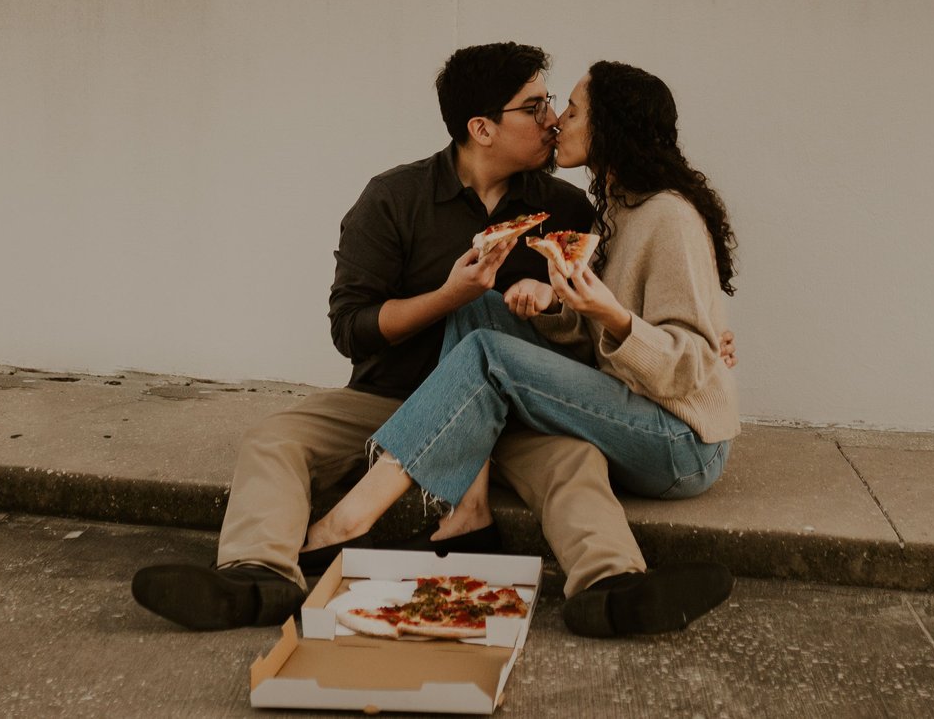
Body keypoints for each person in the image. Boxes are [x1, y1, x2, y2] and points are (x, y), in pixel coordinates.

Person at [133, 43, 718, 637]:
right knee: (274, 438)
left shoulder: (569, 209)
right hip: (398, 399)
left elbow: (614, 311)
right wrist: (447, 296)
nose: (551, 120)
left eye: (556, 105)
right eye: (535, 107)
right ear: (482, 128)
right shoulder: (394, 199)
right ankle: (256, 577)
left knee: (575, 459)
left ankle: (610, 587)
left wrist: (695, 335)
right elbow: (350, 329)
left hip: (517, 410)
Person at [298, 60, 739, 638]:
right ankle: (470, 513)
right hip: (633, 411)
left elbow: (693, 365)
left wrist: (611, 314)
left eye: (572, 110)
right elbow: (594, 341)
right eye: (549, 108)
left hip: (683, 441)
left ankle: (346, 523)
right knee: (478, 307)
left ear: (608, 128)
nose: (557, 120)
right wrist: (555, 304)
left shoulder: (667, 216)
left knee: (489, 352)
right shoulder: (616, 210)